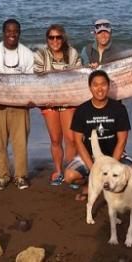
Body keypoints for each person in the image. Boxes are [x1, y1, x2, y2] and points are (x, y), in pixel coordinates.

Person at [64, 70, 132, 201]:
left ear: (108, 86)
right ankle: (89, 185)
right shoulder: (81, 110)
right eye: (95, 85)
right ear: (90, 87)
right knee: (69, 176)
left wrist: (112, 166)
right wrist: (94, 170)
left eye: (103, 84)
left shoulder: (119, 109)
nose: (99, 88)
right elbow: (78, 142)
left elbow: (122, 140)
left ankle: (112, 188)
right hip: (90, 156)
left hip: (114, 155)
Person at [0, 19, 35, 190]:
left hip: (20, 106)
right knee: (0, 142)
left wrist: (30, 100)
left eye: (15, 31)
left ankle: (20, 175)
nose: (12, 34)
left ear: (19, 33)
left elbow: (31, 81)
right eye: (8, 31)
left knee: (20, 143)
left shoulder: (27, 54)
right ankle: (2, 175)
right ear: (3, 32)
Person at [33, 24, 82, 186]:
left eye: (58, 37)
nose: (55, 41)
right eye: (51, 37)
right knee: (55, 139)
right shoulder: (41, 54)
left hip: (68, 101)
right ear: (47, 40)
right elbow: (37, 79)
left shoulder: (73, 53)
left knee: (71, 139)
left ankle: (70, 171)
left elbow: (79, 78)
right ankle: (58, 171)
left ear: (63, 38)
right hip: (49, 102)